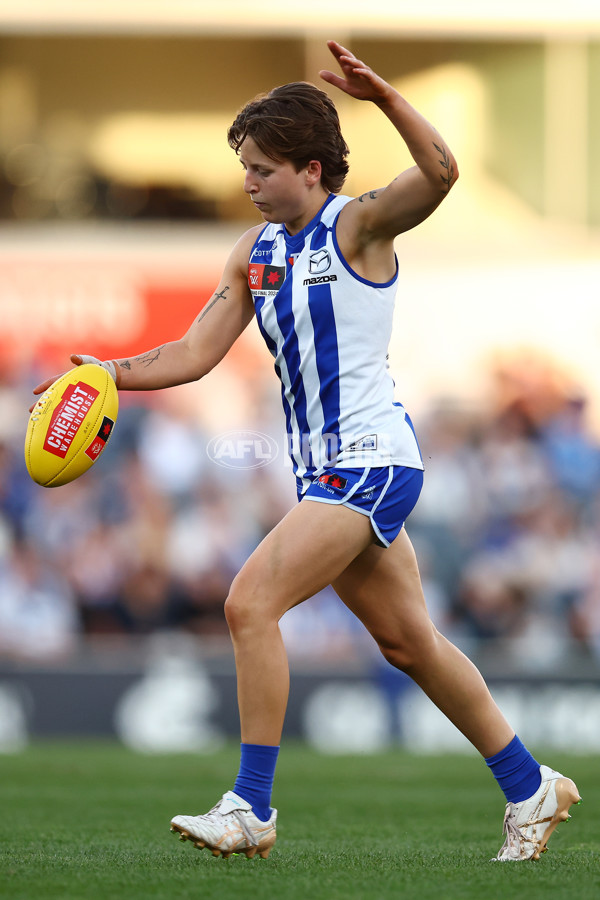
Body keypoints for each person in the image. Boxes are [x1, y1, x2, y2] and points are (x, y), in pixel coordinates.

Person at [33, 40, 580, 862]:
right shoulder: (254, 254)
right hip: (329, 471)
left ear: (312, 169)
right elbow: (193, 351)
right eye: (246, 168)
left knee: (248, 604)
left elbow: (440, 174)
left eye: (262, 168)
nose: (248, 181)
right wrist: (107, 372)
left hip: (370, 459)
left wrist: (387, 97)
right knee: (411, 645)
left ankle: (251, 807)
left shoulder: (357, 225)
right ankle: (530, 786)